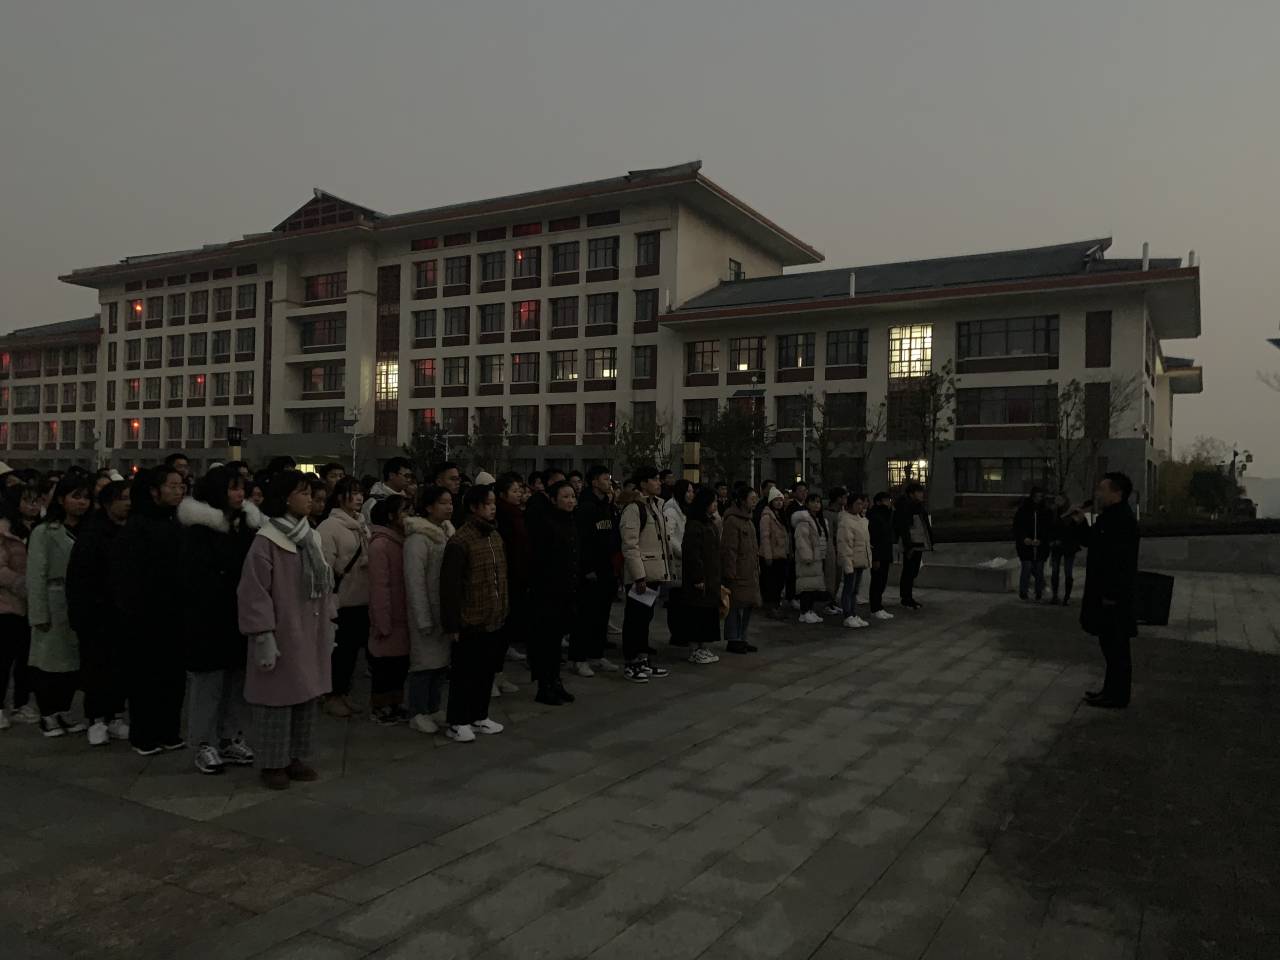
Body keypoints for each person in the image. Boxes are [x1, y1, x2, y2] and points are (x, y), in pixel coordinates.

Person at [237, 470, 336, 789]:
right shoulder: (266, 541)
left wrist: (330, 619)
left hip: (309, 629)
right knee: (276, 701)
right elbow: (254, 593)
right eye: (303, 493)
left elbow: (324, 585)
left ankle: (296, 757)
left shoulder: (311, 537)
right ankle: (272, 764)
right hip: (281, 633)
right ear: (285, 498)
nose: (310, 499)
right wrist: (263, 634)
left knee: (305, 697)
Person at [178, 466, 261, 774]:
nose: (240, 494)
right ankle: (203, 742)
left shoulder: (245, 525)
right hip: (208, 618)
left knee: (236, 681)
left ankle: (230, 737)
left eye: (241, 487)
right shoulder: (199, 530)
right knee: (208, 684)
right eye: (232, 488)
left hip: (238, 615)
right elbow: (193, 578)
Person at [115, 466, 187, 754]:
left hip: (174, 614)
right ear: (153, 491)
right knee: (145, 677)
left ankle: (169, 731)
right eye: (172, 485)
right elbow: (128, 578)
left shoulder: (176, 522)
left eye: (181, 486)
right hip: (144, 617)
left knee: (173, 677)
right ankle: (144, 734)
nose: (178, 491)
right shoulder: (137, 527)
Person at [439, 484, 509, 742]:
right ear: (473, 507)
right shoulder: (460, 541)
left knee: (485, 672)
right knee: (465, 674)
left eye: (493, 503)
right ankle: (457, 721)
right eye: (487, 504)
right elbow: (450, 586)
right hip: (470, 619)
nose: (492, 508)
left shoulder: (494, 536)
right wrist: (452, 624)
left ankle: (480, 715)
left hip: (494, 616)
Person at [65, 480, 132, 745]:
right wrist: (81, 614)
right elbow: (78, 579)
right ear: (107, 503)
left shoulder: (130, 532)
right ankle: (96, 718)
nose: (128, 503)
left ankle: (115, 715)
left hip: (123, 612)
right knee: (96, 667)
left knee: (120, 666)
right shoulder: (92, 535)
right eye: (122, 498)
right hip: (96, 613)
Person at [27, 474, 93, 736]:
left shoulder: (90, 530)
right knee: (49, 663)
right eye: (76, 496)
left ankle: (64, 710)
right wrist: (39, 612)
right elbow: (36, 574)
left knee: (73, 664)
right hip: (53, 600)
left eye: (86, 497)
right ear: (61, 499)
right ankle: (48, 714)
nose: (82, 502)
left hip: (80, 602)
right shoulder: (44, 531)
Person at [1080, 473, 1139, 709]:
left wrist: (1112, 594)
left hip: (1114, 597)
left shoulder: (1122, 520)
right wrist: (1079, 522)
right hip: (1105, 594)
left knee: (1117, 648)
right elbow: (1092, 542)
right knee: (1110, 647)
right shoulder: (1110, 517)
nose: (1098, 494)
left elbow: (1120, 562)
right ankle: (1110, 691)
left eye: (1103, 490)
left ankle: (1117, 696)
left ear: (1117, 493)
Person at [316, 478, 370, 718]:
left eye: (360, 493)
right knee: (339, 653)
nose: (358, 498)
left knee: (351, 653)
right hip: (340, 601)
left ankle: (343, 692)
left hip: (361, 598)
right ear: (339, 497)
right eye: (353, 493)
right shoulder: (329, 527)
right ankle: (331, 696)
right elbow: (325, 566)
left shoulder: (361, 524)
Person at [403, 485, 454, 733]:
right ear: (429, 507)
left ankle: (434, 707)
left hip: (443, 609)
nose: (449, 507)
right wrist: (422, 617)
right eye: (443, 502)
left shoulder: (447, 532)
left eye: (450, 502)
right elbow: (415, 582)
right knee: (423, 665)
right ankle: (417, 711)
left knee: (441, 663)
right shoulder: (417, 539)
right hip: (425, 610)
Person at [618, 466, 673, 683]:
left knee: (645, 619)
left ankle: (642, 659)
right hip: (641, 576)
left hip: (654, 573)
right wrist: (638, 576)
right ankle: (631, 662)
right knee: (635, 619)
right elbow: (630, 545)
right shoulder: (634, 509)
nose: (659, 483)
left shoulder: (656, 505)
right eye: (655, 479)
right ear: (643, 483)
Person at [527, 479, 579, 704]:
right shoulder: (545, 524)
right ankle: (544, 686)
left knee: (557, 642)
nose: (570, 501)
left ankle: (556, 681)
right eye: (565, 497)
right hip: (547, 593)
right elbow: (539, 560)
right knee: (545, 642)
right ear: (554, 499)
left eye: (572, 496)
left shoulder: (571, 521)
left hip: (567, 591)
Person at [569, 465, 620, 677]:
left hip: (606, 568)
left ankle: (596, 655)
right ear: (594, 482)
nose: (609, 482)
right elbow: (582, 541)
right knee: (585, 616)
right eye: (605, 479)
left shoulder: (606, 505)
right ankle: (578, 658)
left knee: (601, 615)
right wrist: (587, 568)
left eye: (609, 478)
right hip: (590, 571)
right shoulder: (585, 507)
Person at [367, 495, 411, 724]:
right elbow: (379, 587)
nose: (409, 516)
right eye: (404, 511)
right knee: (384, 664)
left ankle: (396, 703)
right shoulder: (380, 544)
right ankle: (380, 707)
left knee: (399, 664)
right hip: (388, 616)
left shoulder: (403, 540)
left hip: (402, 614)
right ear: (391, 516)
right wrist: (382, 621)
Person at [0, 485, 35, 729]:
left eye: (36, 500)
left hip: (32, 605)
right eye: (27, 500)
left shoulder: (40, 529)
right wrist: (22, 584)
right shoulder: (3, 530)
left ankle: (22, 703)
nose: (33, 506)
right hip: (7, 603)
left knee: (26, 658)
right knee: (4, 659)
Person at [492, 475, 529, 697]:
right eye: (514, 491)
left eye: (519, 490)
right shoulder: (501, 517)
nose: (519, 494)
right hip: (504, 578)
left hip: (517, 578)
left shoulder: (517, 514)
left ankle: (499, 674)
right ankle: (491, 676)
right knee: (497, 632)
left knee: (505, 630)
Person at [681, 486, 722, 665]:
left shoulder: (709, 523)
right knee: (696, 613)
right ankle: (694, 649)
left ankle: (702, 646)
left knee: (707, 613)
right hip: (699, 578)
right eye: (713, 502)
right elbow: (692, 553)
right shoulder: (695, 525)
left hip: (711, 576)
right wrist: (697, 577)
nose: (716, 505)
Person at [720, 484, 762, 653]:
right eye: (752, 499)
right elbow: (729, 549)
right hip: (737, 571)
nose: (755, 502)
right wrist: (730, 572)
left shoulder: (749, 521)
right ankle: (733, 638)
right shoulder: (732, 520)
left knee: (748, 605)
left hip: (749, 570)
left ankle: (742, 637)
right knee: (735, 606)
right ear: (742, 501)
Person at [662, 479, 694, 648]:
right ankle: (677, 634)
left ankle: (683, 632)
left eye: (692, 491)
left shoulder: (684, 509)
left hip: (685, 561)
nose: (691, 494)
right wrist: (683, 551)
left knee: (684, 600)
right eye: (688, 491)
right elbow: (669, 536)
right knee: (676, 600)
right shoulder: (671, 510)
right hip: (677, 561)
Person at [793, 493, 833, 624]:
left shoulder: (820, 520)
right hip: (808, 558)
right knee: (806, 586)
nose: (816, 505)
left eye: (818, 502)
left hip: (818, 557)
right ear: (807, 503)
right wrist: (807, 557)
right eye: (813, 502)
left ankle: (809, 610)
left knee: (813, 586)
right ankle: (804, 612)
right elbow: (801, 540)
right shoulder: (804, 520)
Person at [893, 482, 932, 610]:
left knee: (913, 570)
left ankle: (908, 597)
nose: (921, 494)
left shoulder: (918, 506)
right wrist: (908, 545)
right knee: (909, 571)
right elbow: (904, 527)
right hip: (911, 543)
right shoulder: (906, 507)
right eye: (919, 492)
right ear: (912, 494)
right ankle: (906, 598)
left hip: (918, 542)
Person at [836, 492, 872, 629]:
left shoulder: (861, 520)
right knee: (849, 589)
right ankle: (847, 615)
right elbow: (845, 545)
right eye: (858, 504)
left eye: (862, 504)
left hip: (859, 560)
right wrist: (847, 564)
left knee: (855, 590)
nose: (860, 506)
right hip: (851, 561)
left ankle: (853, 613)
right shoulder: (846, 521)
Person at [1013, 486, 1054, 601]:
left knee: (1039, 569)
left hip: (1040, 546)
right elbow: (1017, 527)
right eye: (1036, 496)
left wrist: (1042, 540)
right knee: (1027, 567)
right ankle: (1024, 591)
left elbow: (1049, 529)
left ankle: (1038, 591)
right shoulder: (1023, 510)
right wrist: (1024, 538)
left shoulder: (1046, 511)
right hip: (1026, 546)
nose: (1038, 499)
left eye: (1040, 496)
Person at [758, 486, 790, 619]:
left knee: (779, 583)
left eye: (781, 500)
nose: (779, 503)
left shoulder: (781, 515)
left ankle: (776, 606)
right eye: (776, 500)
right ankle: (771, 608)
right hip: (771, 556)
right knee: (771, 583)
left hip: (781, 554)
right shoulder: (766, 516)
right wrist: (768, 556)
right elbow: (765, 537)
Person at [1049, 493, 1087, 605]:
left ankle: (1067, 597)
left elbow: (1073, 529)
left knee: (1068, 572)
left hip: (1068, 545)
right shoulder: (1054, 512)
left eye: (1060, 499)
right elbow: (1051, 527)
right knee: (1055, 571)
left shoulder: (1072, 512)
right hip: (1057, 545)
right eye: (1056, 499)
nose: (1057, 502)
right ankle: (1055, 595)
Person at [866, 492, 896, 621]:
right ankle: (875, 607)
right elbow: (874, 538)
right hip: (878, 554)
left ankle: (879, 606)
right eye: (886, 500)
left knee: (882, 581)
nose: (889, 503)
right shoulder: (874, 516)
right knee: (877, 581)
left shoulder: (886, 515)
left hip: (885, 552)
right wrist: (876, 557)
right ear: (878, 502)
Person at [783, 481, 809, 609]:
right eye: (800, 491)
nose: (803, 493)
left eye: (805, 491)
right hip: (795, 542)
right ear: (794, 493)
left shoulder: (806, 506)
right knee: (793, 572)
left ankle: (799, 596)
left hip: (806, 542)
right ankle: (791, 596)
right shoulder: (791, 507)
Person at [823, 487, 848, 603]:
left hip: (840, 548)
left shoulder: (842, 513)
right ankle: (829, 601)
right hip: (832, 548)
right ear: (838, 499)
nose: (846, 500)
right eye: (844, 497)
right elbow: (830, 534)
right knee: (831, 576)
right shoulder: (828, 514)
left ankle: (832, 600)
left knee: (838, 577)